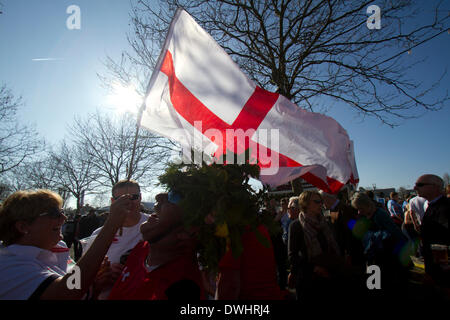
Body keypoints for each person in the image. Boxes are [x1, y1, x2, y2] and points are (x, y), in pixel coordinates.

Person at [0, 189, 132, 299]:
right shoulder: (8, 265)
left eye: (62, 212)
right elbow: (67, 293)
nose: (64, 218)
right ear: (23, 226)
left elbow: (76, 287)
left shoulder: (58, 247)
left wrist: (95, 284)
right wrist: (111, 224)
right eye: (54, 214)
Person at [108, 192, 205, 300]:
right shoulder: (140, 250)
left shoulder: (184, 286)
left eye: (175, 197)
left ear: (190, 232)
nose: (159, 196)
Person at [81, 179, 150, 299]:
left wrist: (132, 272)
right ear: (113, 201)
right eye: (121, 198)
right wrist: (99, 278)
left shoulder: (153, 226)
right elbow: (81, 276)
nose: (129, 202)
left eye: (134, 197)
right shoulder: (99, 235)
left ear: (140, 197)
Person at [288, 191, 358, 302]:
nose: (321, 204)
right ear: (305, 204)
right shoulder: (296, 226)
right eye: (317, 201)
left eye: (321, 201)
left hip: (329, 276)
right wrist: (314, 268)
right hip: (309, 280)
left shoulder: (325, 222)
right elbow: (293, 256)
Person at [351, 192, 411, 292]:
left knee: (385, 284)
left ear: (367, 205)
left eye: (360, 208)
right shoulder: (367, 215)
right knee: (374, 284)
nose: (359, 212)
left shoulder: (380, 215)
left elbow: (395, 233)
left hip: (387, 257)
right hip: (375, 255)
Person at [414, 174, 450, 286]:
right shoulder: (432, 205)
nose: (415, 188)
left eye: (420, 185)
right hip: (434, 265)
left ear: (435, 186)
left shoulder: (445, 207)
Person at [320, 190, 365, 269]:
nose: (321, 204)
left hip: (352, 254)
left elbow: (353, 231)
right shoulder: (334, 210)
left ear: (327, 198)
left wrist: (347, 253)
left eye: (321, 201)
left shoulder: (345, 210)